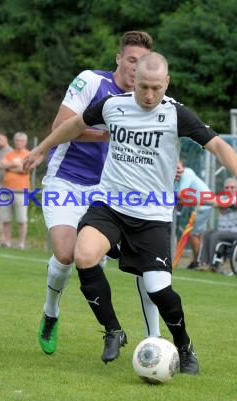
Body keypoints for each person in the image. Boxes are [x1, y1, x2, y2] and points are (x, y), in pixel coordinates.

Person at [23, 52, 237, 374]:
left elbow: (219, 145)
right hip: (109, 205)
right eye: (143, 87)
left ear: (166, 83)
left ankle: (184, 346)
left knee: (158, 289)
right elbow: (73, 125)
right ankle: (113, 331)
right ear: (134, 81)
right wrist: (41, 149)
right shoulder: (113, 105)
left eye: (156, 87)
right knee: (83, 256)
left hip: (151, 215)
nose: (149, 95)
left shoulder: (176, 114)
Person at [34, 31, 160, 356]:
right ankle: (51, 313)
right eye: (131, 60)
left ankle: (137, 334)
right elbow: (62, 124)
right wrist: (110, 134)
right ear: (119, 58)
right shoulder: (91, 81)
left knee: (89, 259)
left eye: (143, 62)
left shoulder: (145, 102)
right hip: (66, 181)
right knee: (65, 254)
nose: (136, 67)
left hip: (108, 192)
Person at [197, 178, 237, 271]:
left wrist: (219, 203)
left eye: (232, 187)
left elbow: (236, 203)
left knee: (216, 235)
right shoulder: (222, 198)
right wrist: (218, 203)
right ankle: (204, 262)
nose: (229, 189)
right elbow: (211, 201)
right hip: (224, 232)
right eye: (226, 188)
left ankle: (213, 264)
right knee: (207, 233)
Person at [174, 158, 213, 269]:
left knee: (193, 234)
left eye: (178, 167)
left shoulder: (187, 172)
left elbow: (181, 194)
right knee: (196, 234)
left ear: (183, 167)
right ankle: (199, 260)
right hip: (198, 206)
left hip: (203, 205)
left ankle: (197, 262)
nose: (177, 170)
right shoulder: (176, 177)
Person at [0, 132, 30, 249]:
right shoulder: (9, 154)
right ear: (14, 141)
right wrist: (14, 164)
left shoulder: (28, 154)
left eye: (21, 140)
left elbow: (25, 169)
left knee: (22, 219)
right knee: (6, 218)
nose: (19, 142)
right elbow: (0, 165)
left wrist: (9, 167)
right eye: (17, 140)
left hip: (22, 191)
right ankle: (7, 242)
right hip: (6, 190)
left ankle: (21, 243)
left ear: (25, 142)